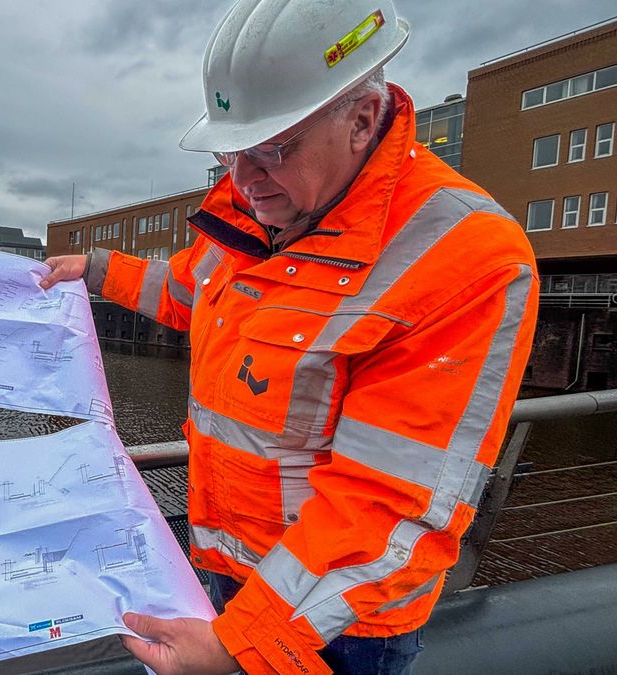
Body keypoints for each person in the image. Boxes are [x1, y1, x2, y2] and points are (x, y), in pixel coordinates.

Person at [39, 0, 538, 673]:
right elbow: (191, 290)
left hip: (339, 625)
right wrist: (97, 269)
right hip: (228, 573)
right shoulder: (261, 217)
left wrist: (239, 646)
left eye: (274, 148)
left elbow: (389, 504)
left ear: (362, 120)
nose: (243, 180)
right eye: (230, 153)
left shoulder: (462, 255)